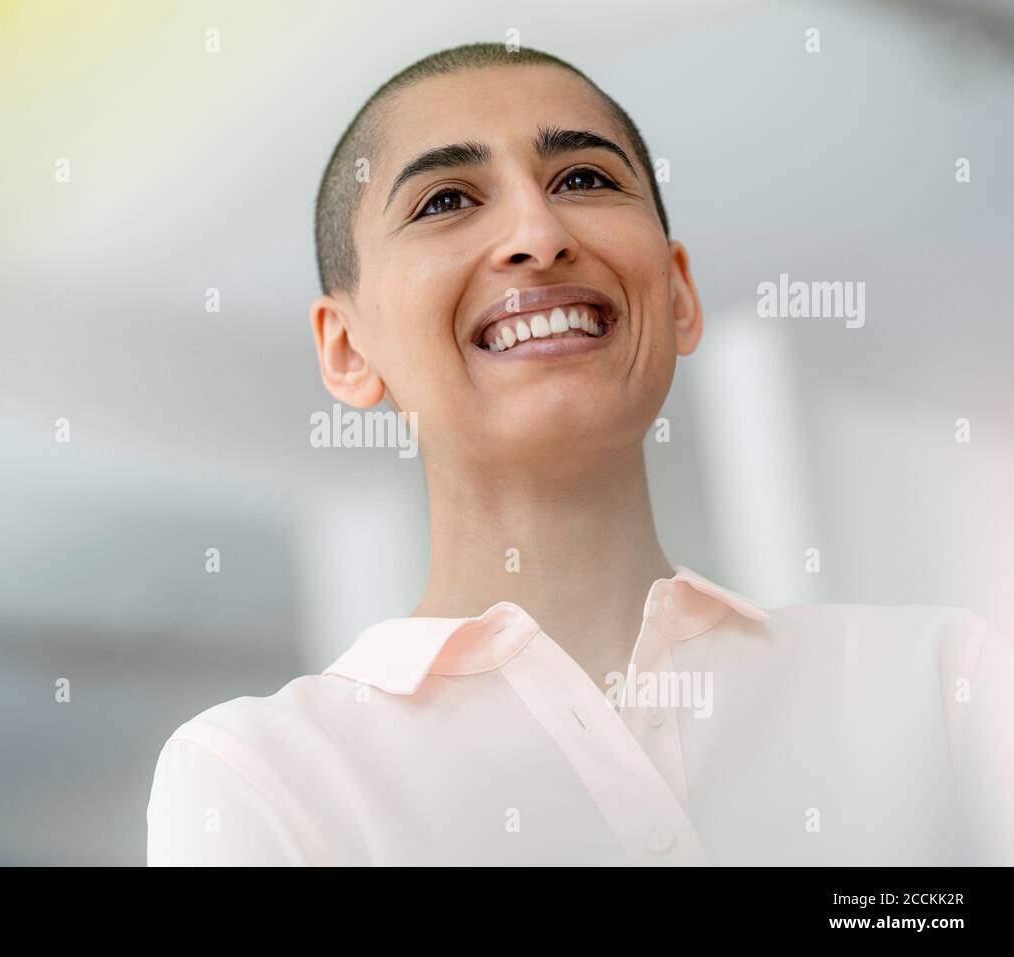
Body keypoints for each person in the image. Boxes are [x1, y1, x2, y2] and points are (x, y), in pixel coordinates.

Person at [146, 42, 1013, 866]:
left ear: (677, 294)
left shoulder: (943, 685)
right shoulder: (258, 776)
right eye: (445, 199)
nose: (538, 230)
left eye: (584, 178)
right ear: (345, 350)